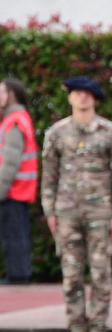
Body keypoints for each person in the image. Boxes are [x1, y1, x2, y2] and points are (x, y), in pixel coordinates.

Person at [41, 76, 112, 332]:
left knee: (101, 271)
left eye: (87, 94)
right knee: (71, 272)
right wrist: (49, 211)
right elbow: (49, 176)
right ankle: (77, 326)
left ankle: (98, 326)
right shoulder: (56, 133)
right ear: (69, 98)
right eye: (77, 93)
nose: (82, 98)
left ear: (95, 98)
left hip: (101, 212)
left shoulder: (110, 133)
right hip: (67, 211)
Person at [0, 78, 36, 284]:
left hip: (13, 190)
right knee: (15, 234)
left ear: (10, 95)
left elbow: (10, 163)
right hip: (15, 190)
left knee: (15, 236)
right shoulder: (13, 119)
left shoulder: (14, 121)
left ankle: (19, 276)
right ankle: (18, 274)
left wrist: (1, 190)